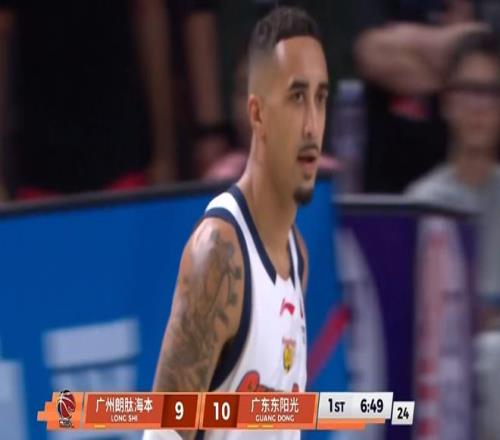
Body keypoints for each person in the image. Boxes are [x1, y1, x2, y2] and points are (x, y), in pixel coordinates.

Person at [146, 6, 329, 439]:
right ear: (257, 113)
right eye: (295, 97)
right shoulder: (220, 254)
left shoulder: (297, 256)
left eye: (321, 98)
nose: (311, 125)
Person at [405, 31, 500, 438]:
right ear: (446, 101)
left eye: (491, 93)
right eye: (469, 91)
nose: (479, 107)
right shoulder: (420, 204)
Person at [354, 0, 486, 192]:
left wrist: (410, 44)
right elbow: (371, 53)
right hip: (392, 195)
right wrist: (468, 63)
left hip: (480, 191)